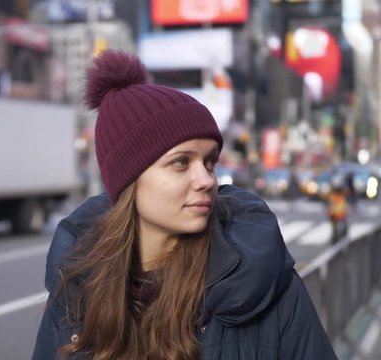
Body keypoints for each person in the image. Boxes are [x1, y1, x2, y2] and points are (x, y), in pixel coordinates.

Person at [32, 50, 336, 359]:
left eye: (209, 162)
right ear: (129, 180)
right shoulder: (75, 291)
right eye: (180, 162)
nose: (206, 180)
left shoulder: (263, 281)